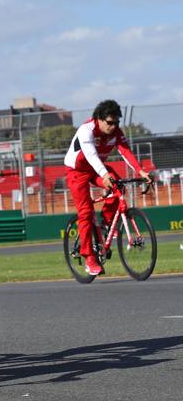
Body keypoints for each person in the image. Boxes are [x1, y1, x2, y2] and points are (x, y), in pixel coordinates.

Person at [64, 99, 152, 275]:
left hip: (97, 170)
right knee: (86, 213)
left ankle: (105, 223)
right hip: (77, 171)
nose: (114, 126)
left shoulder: (116, 132)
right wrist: (104, 175)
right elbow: (91, 155)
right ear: (99, 119)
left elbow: (125, 151)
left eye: (117, 123)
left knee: (119, 187)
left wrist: (141, 171)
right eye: (110, 123)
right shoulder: (86, 130)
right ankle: (89, 257)